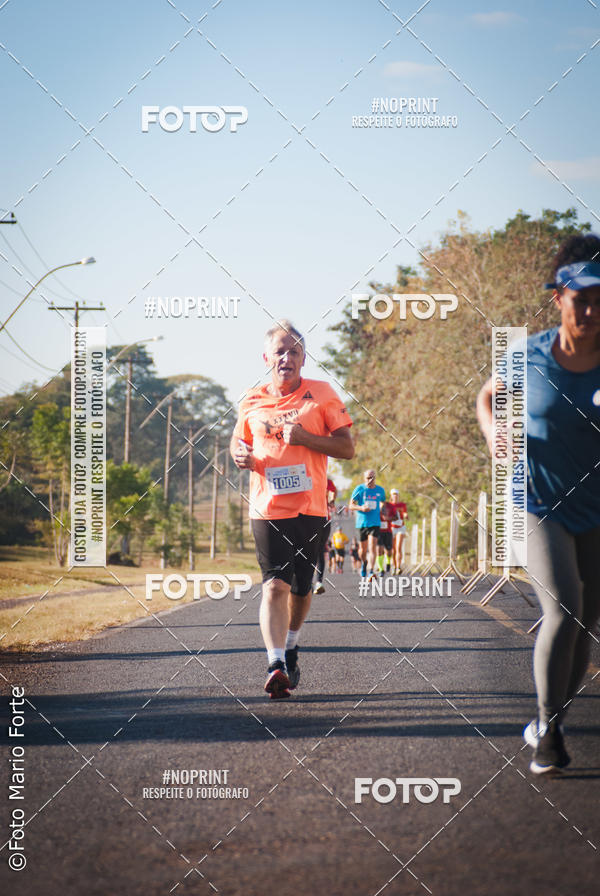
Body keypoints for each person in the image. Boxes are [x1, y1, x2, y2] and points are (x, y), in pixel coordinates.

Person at [477, 233, 600, 774]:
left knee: (585, 626)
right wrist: (493, 431)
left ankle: (553, 716)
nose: (593, 310)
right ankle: (548, 730)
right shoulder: (527, 355)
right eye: (582, 300)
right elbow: (488, 395)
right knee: (565, 607)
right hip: (539, 501)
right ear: (559, 297)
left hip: (596, 507)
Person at [232, 320, 354, 698]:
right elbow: (240, 443)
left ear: (303, 358)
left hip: (311, 507)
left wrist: (305, 438)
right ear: (266, 357)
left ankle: (292, 644)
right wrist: (239, 454)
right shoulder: (251, 399)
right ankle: (275, 663)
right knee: (274, 586)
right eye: (280, 351)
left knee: (301, 589)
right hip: (267, 506)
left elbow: (347, 449)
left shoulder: (321, 395)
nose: (287, 357)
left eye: (295, 352)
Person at [349, 470, 385, 580]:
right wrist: (361, 508)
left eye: (372, 478)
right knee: (362, 551)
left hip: (375, 523)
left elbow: (383, 501)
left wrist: (381, 508)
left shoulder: (380, 490)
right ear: (364, 478)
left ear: (375, 478)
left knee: (372, 547)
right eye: (368, 478)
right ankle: (364, 564)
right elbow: (351, 505)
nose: (370, 480)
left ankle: (371, 571)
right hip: (362, 523)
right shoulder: (359, 489)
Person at [313, 477, 337, 594]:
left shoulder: (327, 480)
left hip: (324, 518)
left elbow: (333, 491)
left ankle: (318, 582)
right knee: (309, 550)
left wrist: (331, 501)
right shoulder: (304, 475)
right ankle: (306, 581)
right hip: (308, 518)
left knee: (320, 549)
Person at [389, 489, 408, 574]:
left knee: (398, 547)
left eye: (396, 494)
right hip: (392, 528)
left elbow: (404, 513)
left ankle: (398, 567)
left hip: (400, 527)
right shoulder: (388, 505)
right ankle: (394, 565)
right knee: (393, 550)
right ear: (391, 496)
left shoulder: (402, 504)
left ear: (398, 496)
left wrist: (405, 515)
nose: (395, 496)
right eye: (393, 494)